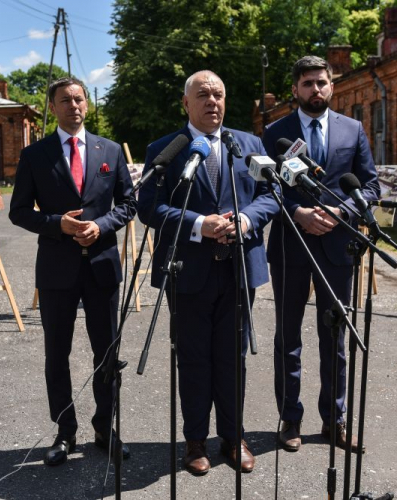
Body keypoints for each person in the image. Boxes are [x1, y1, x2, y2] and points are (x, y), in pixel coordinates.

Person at [137, 70, 279, 475]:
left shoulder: (248, 145)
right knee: (194, 358)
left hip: (238, 270)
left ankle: (233, 439)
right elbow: (150, 207)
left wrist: (247, 220)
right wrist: (200, 225)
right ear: (186, 103)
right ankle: (196, 441)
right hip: (188, 271)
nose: (212, 101)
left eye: (218, 94)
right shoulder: (166, 149)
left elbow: (272, 194)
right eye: (203, 95)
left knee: (233, 359)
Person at [9, 77, 136, 466]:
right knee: (56, 354)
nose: (74, 105)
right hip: (57, 270)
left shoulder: (110, 151)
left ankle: (104, 428)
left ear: (87, 104)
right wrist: (56, 224)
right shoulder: (35, 154)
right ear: (53, 106)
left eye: (79, 99)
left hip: (100, 267)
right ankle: (65, 432)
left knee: (107, 353)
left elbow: (129, 204)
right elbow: (18, 212)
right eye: (65, 100)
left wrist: (103, 225)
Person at [262, 56, 380, 454]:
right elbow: (264, 191)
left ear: (333, 87)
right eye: (308, 84)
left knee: (335, 336)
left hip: (336, 243)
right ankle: (289, 420)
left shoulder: (353, 129)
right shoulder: (275, 132)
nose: (316, 90)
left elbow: (370, 185)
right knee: (288, 337)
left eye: (323, 83)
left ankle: (336, 420)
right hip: (290, 244)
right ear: (295, 89)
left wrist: (341, 210)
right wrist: (297, 212)